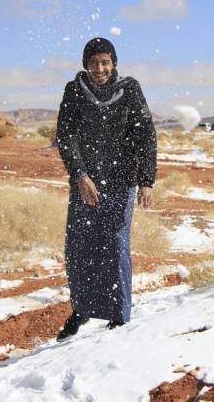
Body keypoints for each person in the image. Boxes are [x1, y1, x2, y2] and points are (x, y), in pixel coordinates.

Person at [55, 37, 157, 341]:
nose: (99, 68)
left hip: (121, 180)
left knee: (114, 245)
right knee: (80, 247)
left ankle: (118, 315)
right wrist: (79, 175)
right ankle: (82, 308)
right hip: (86, 183)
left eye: (105, 62)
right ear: (85, 64)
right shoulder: (74, 90)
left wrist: (146, 181)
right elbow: (65, 135)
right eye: (93, 62)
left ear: (113, 63)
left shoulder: (129, 89)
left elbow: (145, 135)